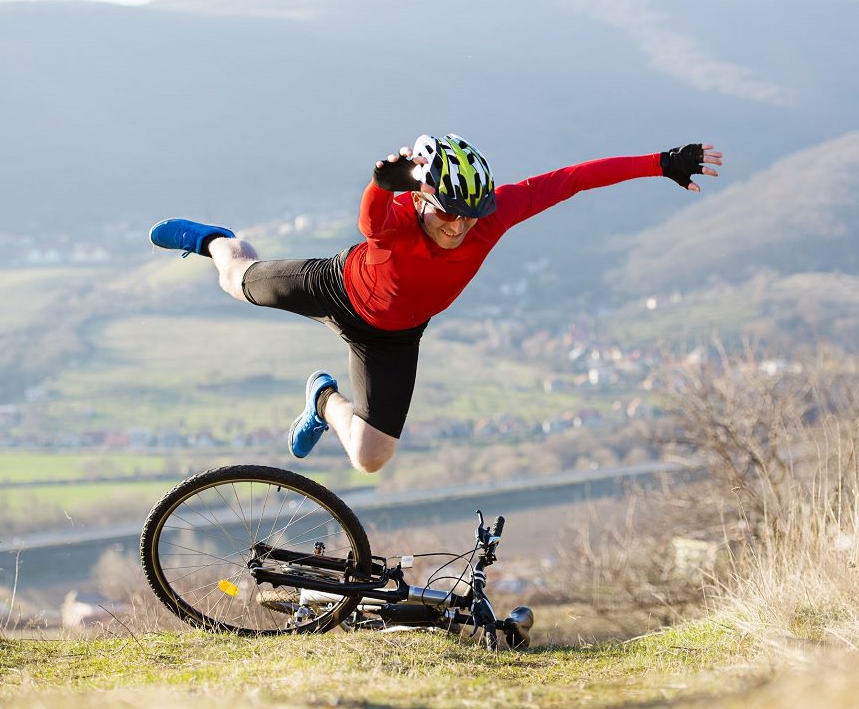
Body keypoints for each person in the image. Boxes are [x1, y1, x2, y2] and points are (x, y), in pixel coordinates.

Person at [150, 135, 723, 473]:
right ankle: (212, 238)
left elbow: (572, 179)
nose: (459, 226)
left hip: (393, 337)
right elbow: (369, 219)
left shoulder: (490, 216)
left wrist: (660, 163)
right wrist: (382, 184)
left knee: (369, 458)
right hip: (336, 288)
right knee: (236, 278)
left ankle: (322, 400)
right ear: (423, 198)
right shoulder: (397, 220)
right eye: (448, 212)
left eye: (471, 215)